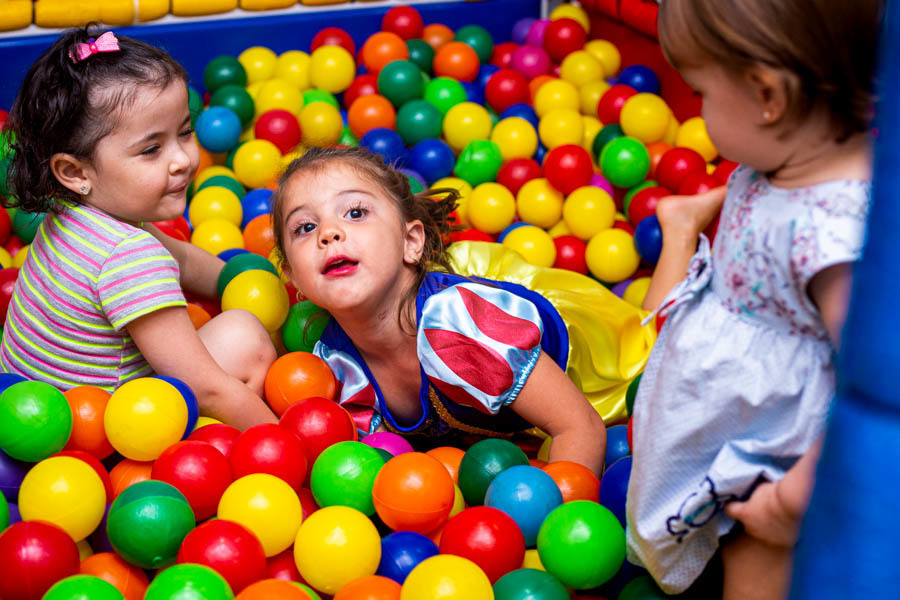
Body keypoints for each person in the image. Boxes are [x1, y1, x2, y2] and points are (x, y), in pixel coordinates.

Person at [625, 0, 882, 597]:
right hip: (730, 413)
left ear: (768, 96)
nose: (697, 109)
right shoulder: (784, 160)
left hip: (768, 459)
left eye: (700, 93)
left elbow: (868, 383)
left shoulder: (834, 236)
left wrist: (792, 499)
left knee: (753, 569)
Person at [271, 145, 655, 474]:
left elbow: (580, 426)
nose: (329, 233)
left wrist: (551, 540)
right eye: (304, 227)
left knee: (649, 344)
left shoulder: (461, 327)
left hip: (580, 360)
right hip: (492, 419)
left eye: (355, 212)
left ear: (411, 242)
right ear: (294, 280)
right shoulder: (333, 366)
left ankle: (679, 229)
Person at [1, 27, 277, 429]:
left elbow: (180, 257)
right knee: (245, 336)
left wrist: (240, 282)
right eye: (151, 150)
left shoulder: (75, 212)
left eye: (184, 131)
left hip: (23, 414)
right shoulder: (129, 255)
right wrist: (281, 443)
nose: (182, 159)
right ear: (74, 172)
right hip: (101, 433)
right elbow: (205, 388)